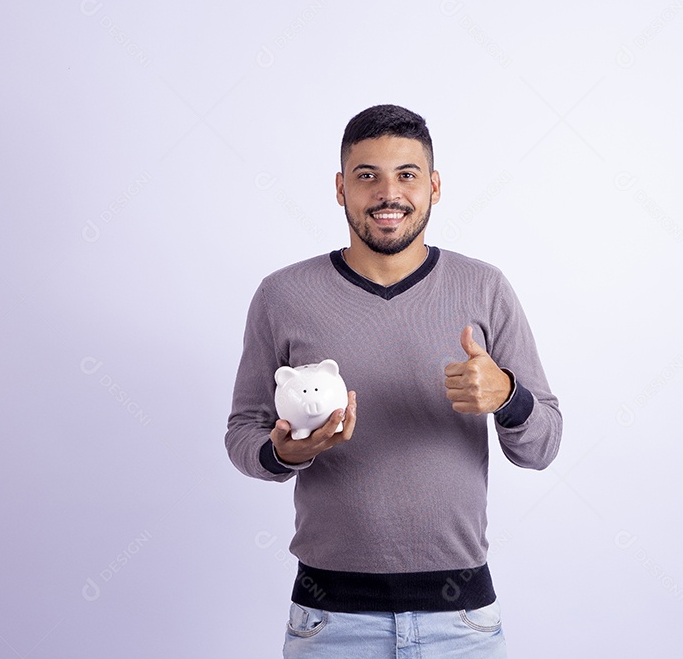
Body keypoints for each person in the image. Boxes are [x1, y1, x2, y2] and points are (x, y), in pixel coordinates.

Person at [225, 104, 563, 658]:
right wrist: (283, 453)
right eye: (367, 176)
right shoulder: (282, 295)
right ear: (340, 188)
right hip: (331, 620)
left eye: (407, 175)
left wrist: (507, 396)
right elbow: (243, 434)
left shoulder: (485, 288)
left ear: (433, 186)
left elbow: (543, 445)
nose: (389, 194)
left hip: (462, 623)